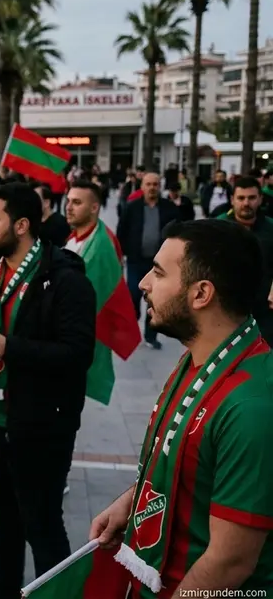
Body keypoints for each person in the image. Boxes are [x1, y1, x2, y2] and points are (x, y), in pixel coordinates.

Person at [91, 219, 273, 595]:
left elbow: (230, 562)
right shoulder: (202, 359)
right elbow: (189, 463)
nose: (143, 284)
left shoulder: (252, 406)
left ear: (201, 293)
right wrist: (134, 499)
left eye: (158, 273)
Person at [0, 182, 97, 599]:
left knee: (41, 525)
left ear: (21, 225)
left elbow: (77, 353)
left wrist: (12, 349)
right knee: (0, 521)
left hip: (39, 428)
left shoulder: (65, 278)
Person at [117, 172, 182, 350]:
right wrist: (120, 253)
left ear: (159, 186)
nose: (152, 187)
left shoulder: (169, 208)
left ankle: (151, 335)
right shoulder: (132, 207)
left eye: (155, 184)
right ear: (142, 187)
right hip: (135, 260)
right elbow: (122, 229)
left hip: (159, 264)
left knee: (155, 299)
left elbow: (178, 232)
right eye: (148, 184)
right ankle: (131, 327)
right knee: (133, 294)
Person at [217, 175, 273, 341]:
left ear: (260, 199)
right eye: (241, 198)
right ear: (232, 199)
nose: (246, 203)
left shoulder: (271, 228)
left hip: (265, 312)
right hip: (227, 312)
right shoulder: (218, 228)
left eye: (252, 198)